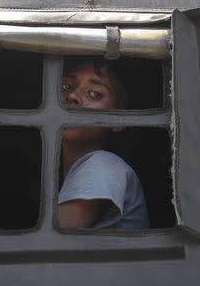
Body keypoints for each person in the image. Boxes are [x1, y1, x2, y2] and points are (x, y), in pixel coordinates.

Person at [58, 57, 149, 229]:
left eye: (94, 94)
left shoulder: (102, 165)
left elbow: (50, 246)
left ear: (118, 119)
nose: (71, 96)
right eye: (66, 86)